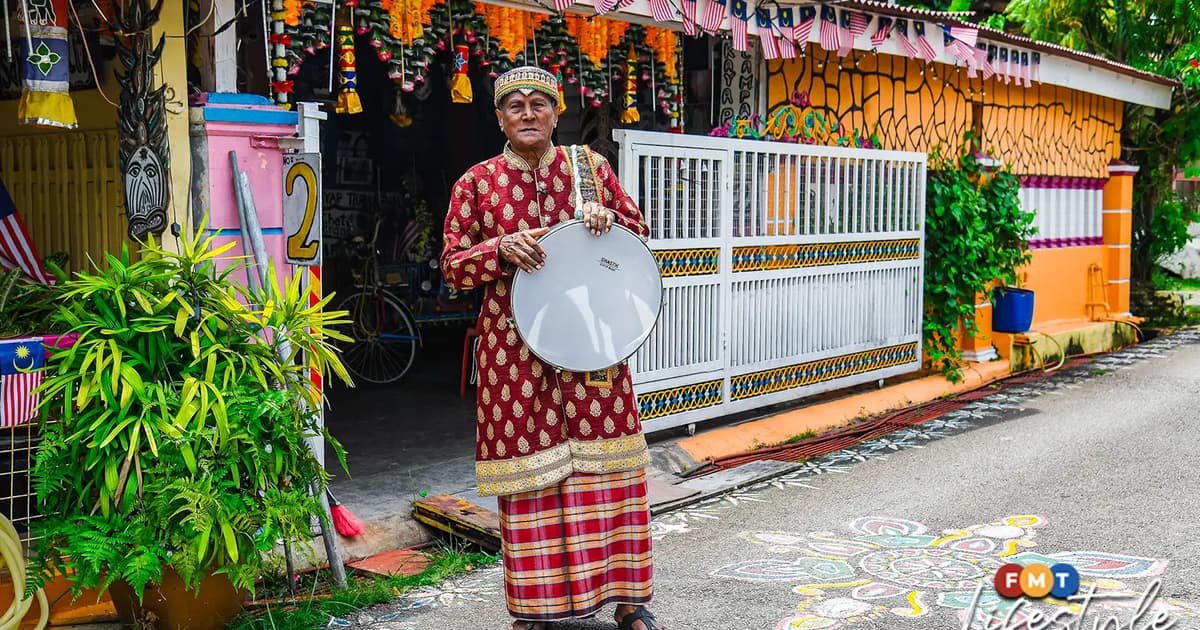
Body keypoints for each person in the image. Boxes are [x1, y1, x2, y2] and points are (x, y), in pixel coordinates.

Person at [440, 66, 667, 630]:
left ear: (556, 111)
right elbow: (452, 268)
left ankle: (630, 603)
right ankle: (534, 610)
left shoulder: (591, 169)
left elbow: (639, 236)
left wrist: (608, 218)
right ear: (499, 118)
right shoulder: (475, 183)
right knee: (529, 480)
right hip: (512, 354)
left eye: (538, 104)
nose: (527, 114)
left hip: (595, 348)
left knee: (610, 475)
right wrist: (499, 249)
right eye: (514, 106)